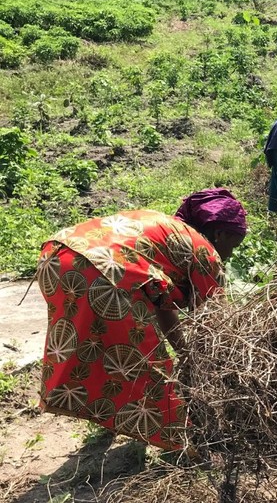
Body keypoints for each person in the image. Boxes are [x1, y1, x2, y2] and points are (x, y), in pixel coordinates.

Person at [35, 188, 248, 450]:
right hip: (101, 271)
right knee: (143, 364)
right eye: (234, 245)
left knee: (100, 349)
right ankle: (182, 442)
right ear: (220, 233)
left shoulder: (168, 233)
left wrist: (186, 355)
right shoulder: (204, 250)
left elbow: (162, 308)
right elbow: (215, 327)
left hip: (57, 258)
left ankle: (106, 418)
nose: (231, 254)